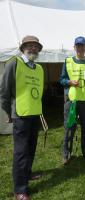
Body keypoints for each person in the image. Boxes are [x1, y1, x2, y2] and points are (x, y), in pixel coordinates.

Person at [0, 35, 44, 200]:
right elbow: (4, 90)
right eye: (29, 45)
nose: (33, 48)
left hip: (34, 113)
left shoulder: (38, 68)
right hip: (20, 114)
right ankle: (20, 189)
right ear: (22, 48)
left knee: (31, 148)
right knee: (21, 152)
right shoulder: (14, 63)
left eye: (35, 46)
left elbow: (39, 92)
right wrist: (7, 112)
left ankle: (27, 173)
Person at [60, 36, 85, 164]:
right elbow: (62, 80)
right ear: (74, 47)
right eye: (78, 46)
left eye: (82, 46)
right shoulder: (68, 61)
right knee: (69, 127)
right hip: (72, 101)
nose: (80, 48)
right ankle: (66, 154)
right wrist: (70, 82)